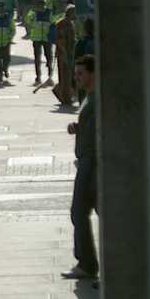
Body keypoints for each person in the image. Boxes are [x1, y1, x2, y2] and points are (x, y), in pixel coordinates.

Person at [62, 55, 99, 280]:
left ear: (92, 74)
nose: (76, 78)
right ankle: (86, 262)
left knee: (79, 211)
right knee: (82, 212)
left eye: (80, 73)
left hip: (91, 163)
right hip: (87, 160)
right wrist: (78, 126)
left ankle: (86, 263)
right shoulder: (89, 97)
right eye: (75, 73)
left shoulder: (97, 99)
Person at [25, 0, 54, 85]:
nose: (40, 6)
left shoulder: (49, 12)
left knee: (49, 57)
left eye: (42, 4)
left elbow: (53, 22)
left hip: (47, 38)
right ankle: (38, 77)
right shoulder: (33, 13)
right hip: (36, 38)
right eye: (39, 5)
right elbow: (27, 20)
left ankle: (50, 76)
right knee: (37, 58)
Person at [53, 5, 77, 106]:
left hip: (70, 52)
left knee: (69, 75)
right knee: (64, 76)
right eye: (74, 12)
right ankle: (65, 97)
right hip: (63, 53)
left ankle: (64, 94)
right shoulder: (62, 23)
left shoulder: (70, 23)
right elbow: (60, 40)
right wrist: (65, 54)